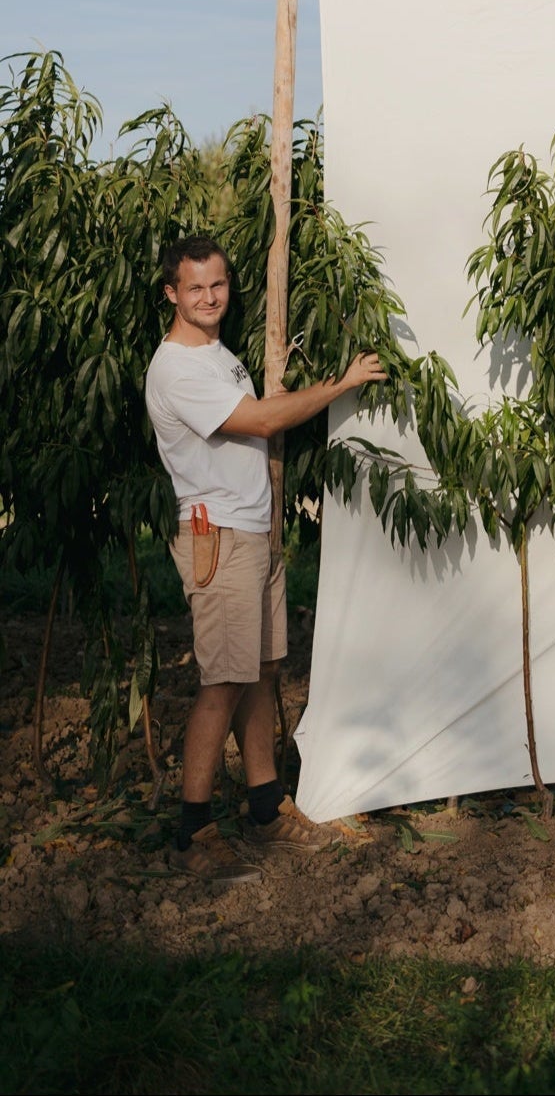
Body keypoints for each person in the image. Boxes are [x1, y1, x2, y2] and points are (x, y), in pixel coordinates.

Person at [145, 234, 387, 882]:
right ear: (171, 293)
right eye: (195, 287)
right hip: (218, 536)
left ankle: (265, 808)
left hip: (253, 531)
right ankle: (193, 833)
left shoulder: (219, 355)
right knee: (222, 681)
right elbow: (259, 421)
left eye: (218, 284)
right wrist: (341, 384)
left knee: (261, 672)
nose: (209, 297)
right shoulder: (176, 368)